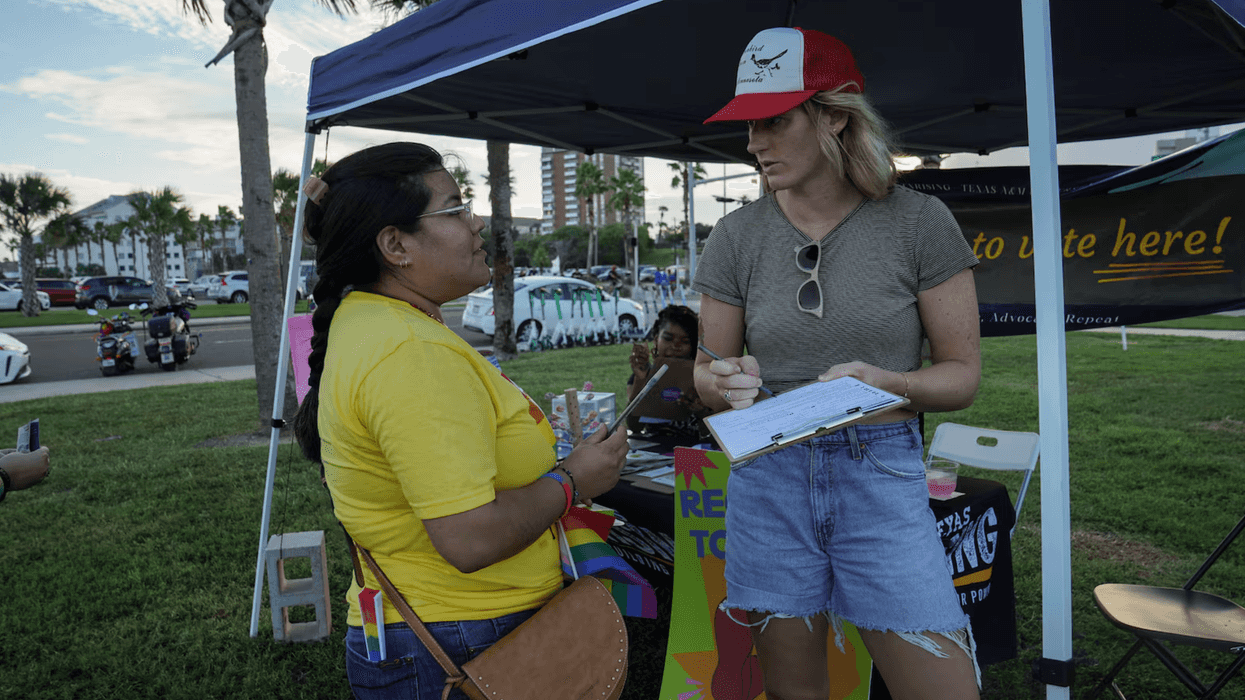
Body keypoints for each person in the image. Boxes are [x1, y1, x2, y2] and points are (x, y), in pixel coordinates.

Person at [693, 27, 982, 700]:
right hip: (768, 471)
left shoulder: (918, 222)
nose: (752, 142)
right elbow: (708, 373)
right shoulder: (736, 235)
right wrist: (719, 382)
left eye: (772, 120)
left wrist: (889, 384)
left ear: (833, 116)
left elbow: (960, 376)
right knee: (795, 691)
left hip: (879, 469)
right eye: (747, 124)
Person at [291, 143, 630, 700]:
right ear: (395, 245)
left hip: (435, 630)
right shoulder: (409, 351)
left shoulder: (376, 324)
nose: (476, 223)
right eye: (453, 209)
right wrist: (573, 481)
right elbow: (469, 538)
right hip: (462, 640)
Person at [626, 305, 707, 437]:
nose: (675, 346)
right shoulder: (644, 374)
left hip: (693, 450)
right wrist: (640, 380)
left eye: (685, 341)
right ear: (656, 340)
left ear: (693, 346)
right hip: (654, 450)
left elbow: (709, 435)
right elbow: (634, 426)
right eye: (668, 338)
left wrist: (701, 412)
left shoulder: (701, 377)